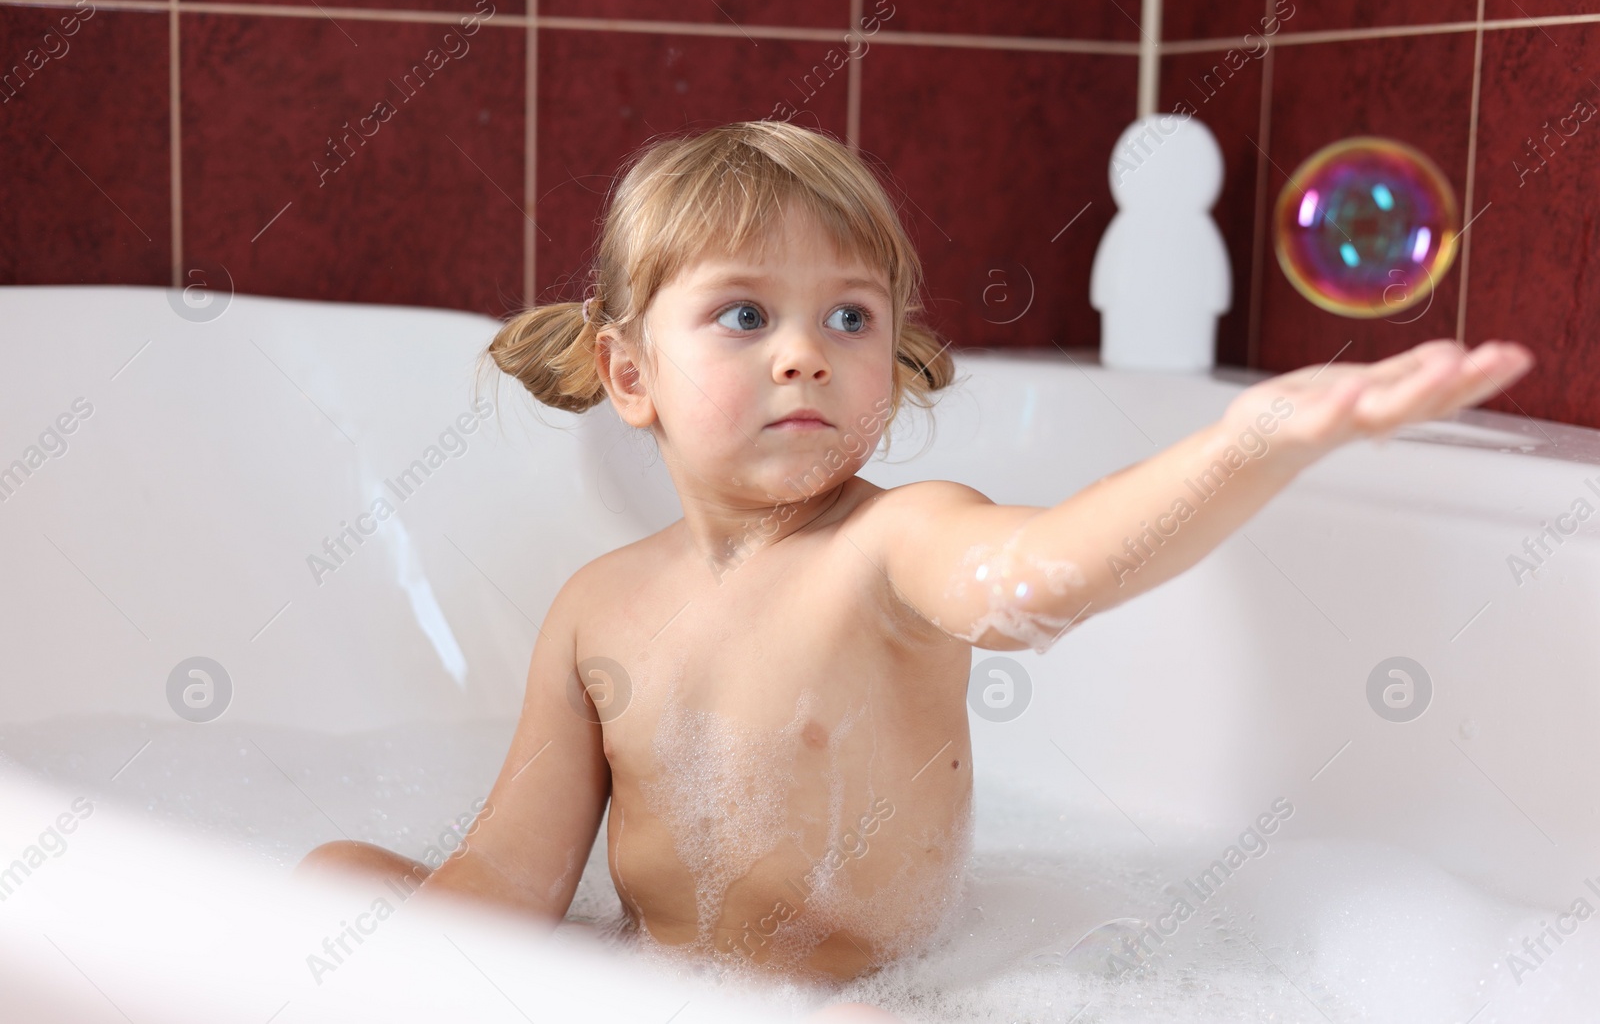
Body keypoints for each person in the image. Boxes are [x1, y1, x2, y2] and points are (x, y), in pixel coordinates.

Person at [297, 120, 1533, 1004]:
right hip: (649, 986)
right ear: (629, 372)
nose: (804, 353)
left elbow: (1051, 571)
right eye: (743, 314)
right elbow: (513, 872)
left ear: (892, 357)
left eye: (850, 316)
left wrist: (1249, 440)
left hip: (875, 1000)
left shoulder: (894, 543)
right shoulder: (597, 609)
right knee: (329, 873)